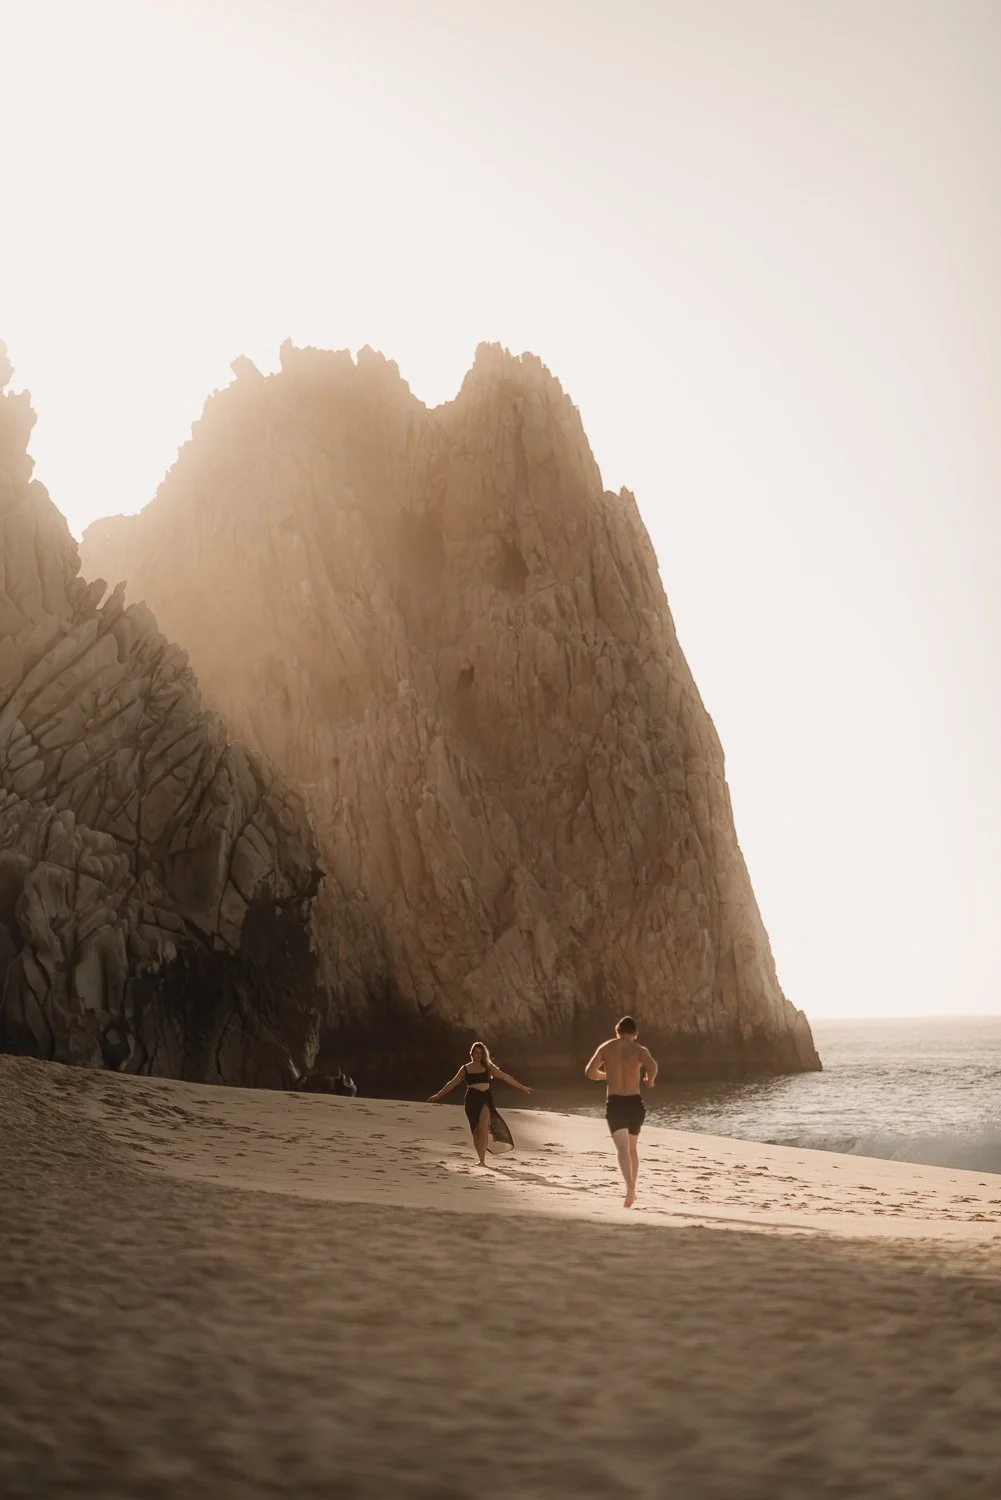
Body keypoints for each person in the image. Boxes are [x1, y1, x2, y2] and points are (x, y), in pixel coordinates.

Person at [585, 1016, 658, 1207]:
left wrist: (607, 1076)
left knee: (622, 1149)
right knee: (632, 1148)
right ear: (634, 1033)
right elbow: (653, 1066)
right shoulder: (639, 1049)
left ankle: (629, 1186)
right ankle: (633, 1186)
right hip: (635, 1102)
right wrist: (649, 1081)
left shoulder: (606, 1048)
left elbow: (589, 1072)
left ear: (617, 1031)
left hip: (616, 1102)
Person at [427, 1042, 533, 1165]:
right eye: (476, 1052)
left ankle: (482, 1161)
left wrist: (522, 1087)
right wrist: (438, 1095)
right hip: (472, 1099)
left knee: (483, 1128)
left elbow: (505, 1077)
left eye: (480, 1053)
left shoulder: (488, 1067)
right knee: (476, 1130)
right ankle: (480, 1157)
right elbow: (452, 1083)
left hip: (485, 1098)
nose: (478, 1055)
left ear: (483, 1054)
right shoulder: (465, 1068)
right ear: (471, 1053)